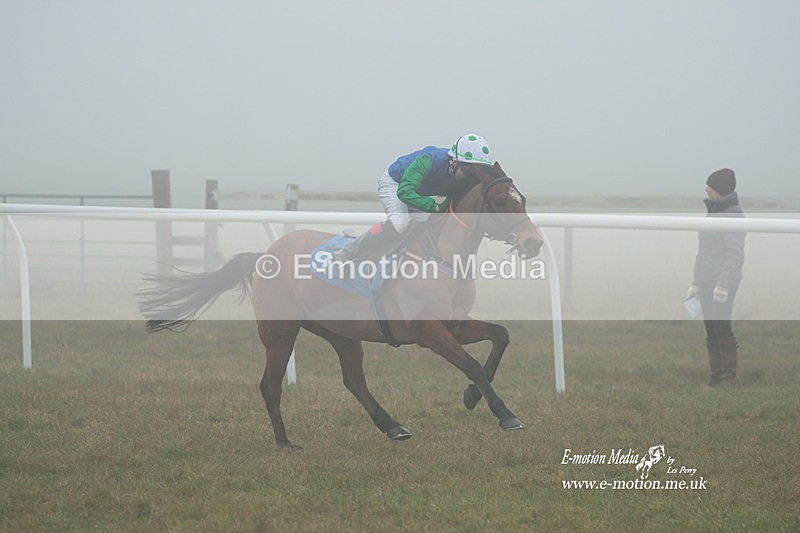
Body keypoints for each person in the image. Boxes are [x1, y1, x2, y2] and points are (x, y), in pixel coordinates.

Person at [331, 134, 495, 263]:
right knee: (399, 224)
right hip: (395, 184)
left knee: (433, 221)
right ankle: (348, 251)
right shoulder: (429, 159)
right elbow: (405, 192)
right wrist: (434, 206)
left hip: (415, 191)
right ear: (455, 162)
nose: (470, 178)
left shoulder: (461, 173)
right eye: (469, 171)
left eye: (476, 173)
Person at [686, 168, 745, 386]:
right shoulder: (713, 213)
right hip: (706, 279)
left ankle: (727, 378)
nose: (706, 189)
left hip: (721, 282)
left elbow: (735, 253)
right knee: (710, 327)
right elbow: (704, 252)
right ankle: (716, 377)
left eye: (709, 186)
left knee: (721, 327)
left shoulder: (733, 214)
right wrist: (695, 282)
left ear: (719, 189)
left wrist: (723, 285)